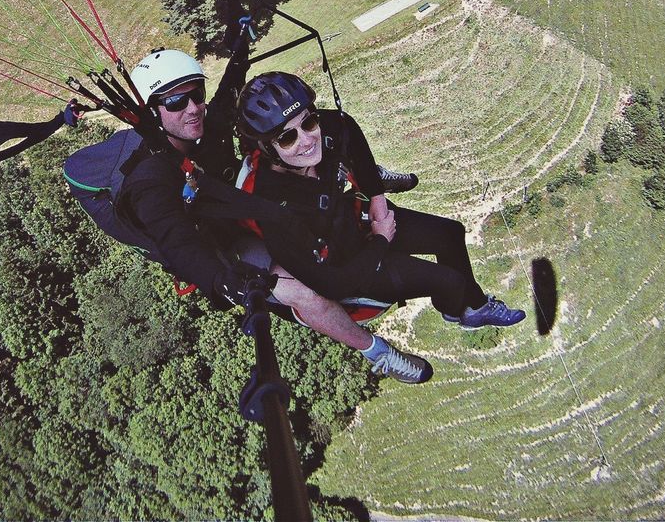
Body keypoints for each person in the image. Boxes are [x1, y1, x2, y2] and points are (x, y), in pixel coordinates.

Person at [120, 47, 435, 384]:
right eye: (176, 103)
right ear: (152, 112)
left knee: (278, 127)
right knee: (303, 291)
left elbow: (227, 94)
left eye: (197, 95)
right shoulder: (149, 182)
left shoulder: (199, 126)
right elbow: (176, 239)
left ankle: (364, 172)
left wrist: (240, 40)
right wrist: (217, 278)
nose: (194, 108)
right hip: (227, 239)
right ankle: (377, 353)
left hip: (246, 198)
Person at [235, 71, 526, 330]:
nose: (308, 139)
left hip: (359, 222)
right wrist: (381, 242)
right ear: (267, 148)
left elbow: (350, 136)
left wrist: (377, 197)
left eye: (309, 122)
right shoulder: (272, 206)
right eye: (288, 138)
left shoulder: (328, 129)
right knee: (452, 281)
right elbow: (330, 285)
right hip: (352, 266)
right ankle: (454, 307)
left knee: (451, 233)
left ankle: (471, 307)